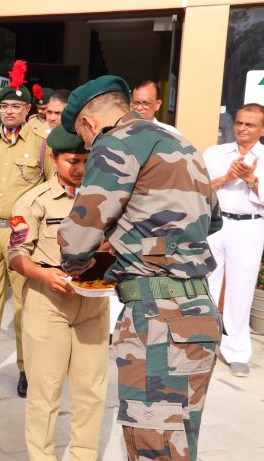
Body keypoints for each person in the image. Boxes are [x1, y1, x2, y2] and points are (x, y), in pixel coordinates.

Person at [58, 75, 222, 461]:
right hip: (197, 311)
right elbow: (212, 221)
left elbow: (77, 238)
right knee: (179, 441)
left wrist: (83, 260)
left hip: (157, 317)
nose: (86, 147)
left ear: (88, 123)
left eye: (83, 140)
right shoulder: (180, 142)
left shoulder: (114, 143)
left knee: (153, 447)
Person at [9, 125, 109, 461]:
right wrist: (42, 274)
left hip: (94, 305)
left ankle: (83, 455)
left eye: (85, 160)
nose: (80, 168)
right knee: (45, 393)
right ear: (53, 159)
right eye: (72, 161)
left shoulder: (106, 198)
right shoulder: (35, 201)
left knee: (91, 392)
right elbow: (16, 255)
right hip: (48, 302)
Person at [0, 70, 54, 399]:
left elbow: (51, 188)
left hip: (22, 234)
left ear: (28, 111)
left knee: (24, 307)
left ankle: (25, 369)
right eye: (4, 105)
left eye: (16, 107)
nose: (9, 111)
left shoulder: (40, 145)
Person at [203, 103, 264, 378]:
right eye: (239, 122)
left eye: (249, 125)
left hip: (250, 226)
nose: (242, 128)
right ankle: (204, 345)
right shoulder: (215, 153)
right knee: (207, 286)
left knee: (241, 291)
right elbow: (199, 188)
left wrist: (252, 181)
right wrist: (227, 177)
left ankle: (237, 351)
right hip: (216, 223)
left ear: (261, 129)